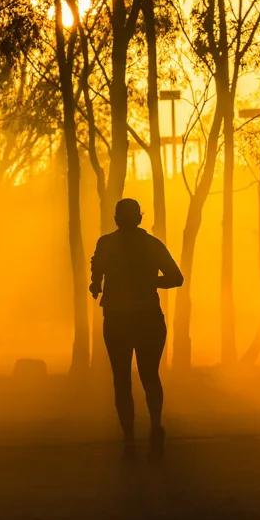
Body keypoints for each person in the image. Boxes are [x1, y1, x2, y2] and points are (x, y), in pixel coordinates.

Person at [90, 198, 183, 462]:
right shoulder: (151, 245)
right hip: (147, 318)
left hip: (119, 318)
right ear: (139, 218)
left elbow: (96, 268)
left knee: (122, 379)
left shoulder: (106, 243)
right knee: (149, 376)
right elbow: (176, 278)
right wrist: (149, 281)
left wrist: (97, 284)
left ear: (116, 218)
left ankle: (129, 439)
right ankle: (154, 427)